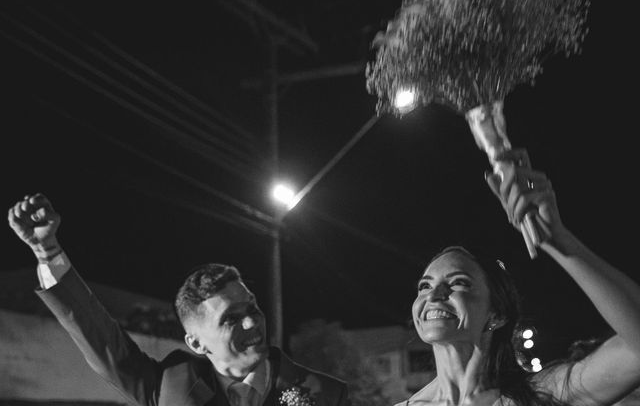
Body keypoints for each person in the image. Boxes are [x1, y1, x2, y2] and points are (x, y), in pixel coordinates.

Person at [7, 194, 350, 406]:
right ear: (196, 343)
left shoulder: (326, 396)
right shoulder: (170, 386)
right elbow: (102, 341)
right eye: (230, 318)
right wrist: (47, 251)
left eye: (252, 308)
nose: (252, 322)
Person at [398, 149, 640, 406]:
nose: (433, 295)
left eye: (458, 282)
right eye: (424, 286)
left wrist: (558, 241)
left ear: (497, 315)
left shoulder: (544, 395)